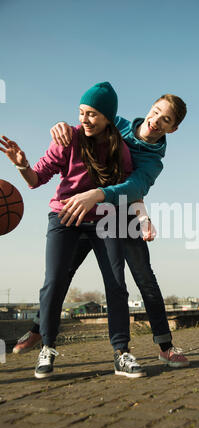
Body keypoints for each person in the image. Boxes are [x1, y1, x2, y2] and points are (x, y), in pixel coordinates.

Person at [11, 92, 190, 370]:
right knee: (61, 274)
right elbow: (87, 120)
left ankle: (164, 346)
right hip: (82, 207)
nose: (156, 121)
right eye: (155, 111)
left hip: (119, 212)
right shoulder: (120, 124)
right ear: (150, 108)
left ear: (172, 128)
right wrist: (59, 125)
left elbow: (134, 188)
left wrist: (138, 216)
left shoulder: (153, 161)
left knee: (143, 280)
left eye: (165, 119)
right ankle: (40, 332)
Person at [0, 81, 151, 379]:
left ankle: (121, 353)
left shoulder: (119, 148)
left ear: (108, 117)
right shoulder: (67, 138)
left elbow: (130, 189)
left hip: (106, 217)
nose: (84, 119)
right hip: (65, 216)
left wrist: (142, 219)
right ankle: (48, 347)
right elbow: (35, 180)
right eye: (81, 112)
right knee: (54, 281)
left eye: (92, 114)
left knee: (116, 284)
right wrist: (22, 164)